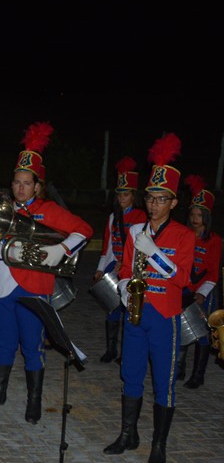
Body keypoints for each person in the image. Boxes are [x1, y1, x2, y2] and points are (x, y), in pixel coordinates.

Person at [0, 122, 92, 424]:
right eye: (16, 182)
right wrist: (8, 251)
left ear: (38, 186)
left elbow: (84, 230)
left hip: (35, 288)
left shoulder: (49, 210)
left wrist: (62, 249)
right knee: (2, 342)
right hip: (2, 286)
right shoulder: (2, 208)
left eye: (27, 183)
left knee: (32, 345)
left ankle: (34, 400)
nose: (20, 188)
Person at [103, 133, 194, 463]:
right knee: (130, 373)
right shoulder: (135, 231)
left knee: (163, 382)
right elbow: (126, 268)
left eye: (161, 199)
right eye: (150, 198)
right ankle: (129, 434)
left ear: (174, 202)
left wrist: (154, 253)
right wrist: (125, 287)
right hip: (136, 314)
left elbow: (182, 278)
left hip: (165, 316)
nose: (153, 205)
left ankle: (158, 444)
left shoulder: (184, 235)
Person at [91, 156, 146, 363]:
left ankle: (127, 353)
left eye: (126, 194)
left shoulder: (141, 217)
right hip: (114, 265)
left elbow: (141, 247)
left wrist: (127, 263)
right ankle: (111, 349)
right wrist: (101, 269)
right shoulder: (113, 217)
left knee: (129, 309)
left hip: (132, 267)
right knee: (112, 307)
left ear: (133, 195)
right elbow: (107, 247)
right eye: (120, 194)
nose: (122, 198)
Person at [176, 174, 219, 389]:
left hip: (204, 291)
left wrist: (202, 293)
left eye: (199, 215)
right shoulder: (183, 235)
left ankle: (198, 374)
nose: (195, 218)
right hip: (184, 288)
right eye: (192, 214)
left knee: (202, 333)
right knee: (181, 327)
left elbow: (213, 272)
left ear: (207, 217)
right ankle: (180, 367)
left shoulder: (215, 241)